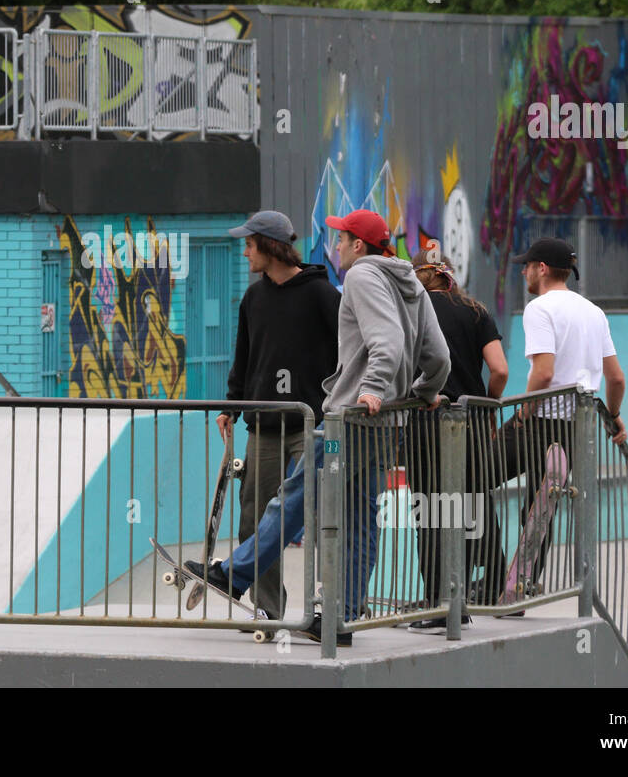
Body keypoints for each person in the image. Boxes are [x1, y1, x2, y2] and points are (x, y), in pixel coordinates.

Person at [187, 209, 450, 644]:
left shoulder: (364, 277)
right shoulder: (409, 283)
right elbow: (437, 356)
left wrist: (372, 389)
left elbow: (386, 343)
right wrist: (425, 392)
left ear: (359, 245)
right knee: (361, 519)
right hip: (387, 424)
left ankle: (232, 576)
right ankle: (340, 618)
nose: (337, 247)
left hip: (350, 419)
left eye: (342, 239)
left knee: (292, 499)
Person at [216, 210, 341, 622]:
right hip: (264, 426)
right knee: (254, 518)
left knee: (326, 521)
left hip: (313, 425)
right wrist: (233, 406)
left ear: (269, 245)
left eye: (249, 244)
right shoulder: (254, 297)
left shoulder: (322, 294)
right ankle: (269, 610)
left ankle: (328, 609)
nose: (244, 252)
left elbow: (349, 354)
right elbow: (244, 357)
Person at [490, 237, 626, 594]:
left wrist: (523, 412)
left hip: (539, 422)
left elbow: (544, 373)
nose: (523, 272)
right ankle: (523, 583)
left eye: (527, 266)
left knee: (471, 475)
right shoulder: (593, 312)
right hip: (575, 430)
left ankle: (486, 572)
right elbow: (616, 378)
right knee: (542, 504)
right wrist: (613, 416)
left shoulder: (540, 308)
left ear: (542, 269)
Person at [404, 252, 509, 632]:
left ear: (425, 274)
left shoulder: (413, 310)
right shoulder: (476, 311)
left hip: (426, 421)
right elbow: (499, 369)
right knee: (467, 507)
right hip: (473, 422)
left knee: (430, 511)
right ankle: (467, 595)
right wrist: (489, 405)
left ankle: (439, 604)